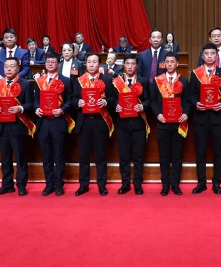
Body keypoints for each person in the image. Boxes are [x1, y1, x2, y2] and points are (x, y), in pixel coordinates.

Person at [189, 44, 221, 194]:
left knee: (218, 152)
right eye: (206, 54)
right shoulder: (196, 73)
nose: (209, 56)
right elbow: (191, 94)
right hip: (200, 118)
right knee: (200, 152)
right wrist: (196, 103)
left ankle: (216, 182)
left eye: (212, 53)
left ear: (216, 56)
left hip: (217, 118)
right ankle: (201, 182)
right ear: (202, 56)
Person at [0, 57, 35, 196]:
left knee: (20, 157)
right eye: (6, 66)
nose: (9, 69)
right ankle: (7, 184)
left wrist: (20, 108)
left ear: (18, 68)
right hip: (2, 127)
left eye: (12, 66)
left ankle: (21, 185)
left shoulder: (25, 84)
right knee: (5, 158)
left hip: (18, 126)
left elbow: (31, 104)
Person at [72, 53, 113, 196]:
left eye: (94, 62)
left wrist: (106, 101)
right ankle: (83, 185)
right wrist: (78, 102)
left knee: (100, 155)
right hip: (84, 122)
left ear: (99, 64)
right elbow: (73, 99)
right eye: (89, 62)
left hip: (99, 121)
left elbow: (113, 98)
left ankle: (102, 185)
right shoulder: (79, 80)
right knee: (83, 156)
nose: (91, 64)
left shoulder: (107, 79)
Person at [150, 52, 190, 196]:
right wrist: (158, 114)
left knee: (177, 156)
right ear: (164, 64)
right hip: (163, 123)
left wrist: (186, 113)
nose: (170, 64)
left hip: (179, 123)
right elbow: (153, 100)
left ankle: (175, 184)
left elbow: (187, 101)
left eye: (172, 62)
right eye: (167, 62)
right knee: (164, 156)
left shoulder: (183, 80)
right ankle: (165, 185)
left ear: (177, 64)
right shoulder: (157, 80)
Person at [34, 52, 74, 196]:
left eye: (53, 62)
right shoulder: (39, 81)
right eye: (48, 62)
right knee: (46, 156)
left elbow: (70, 100)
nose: (50, 64)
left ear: (58, 64)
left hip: (58, 122)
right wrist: (36, 108)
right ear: (45, 64)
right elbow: (35, 100)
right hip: (43, 123)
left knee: (59, 156)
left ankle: (59, 184)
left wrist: (62, 110)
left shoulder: (66, 81)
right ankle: (49, 184)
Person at [110, 53, 150, 195]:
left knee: (139, 156)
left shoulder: (143, 81)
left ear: (137, 66)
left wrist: (142, 106)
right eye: (127, 63)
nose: (130, 66)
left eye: (133, 63)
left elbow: (149, 100)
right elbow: (112, 99)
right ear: (124, 65)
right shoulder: (116, 81)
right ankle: (125, 183)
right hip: (122, 125)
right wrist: (116, 106)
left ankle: (138, 184)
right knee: (124, 156)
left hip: (138, 124)